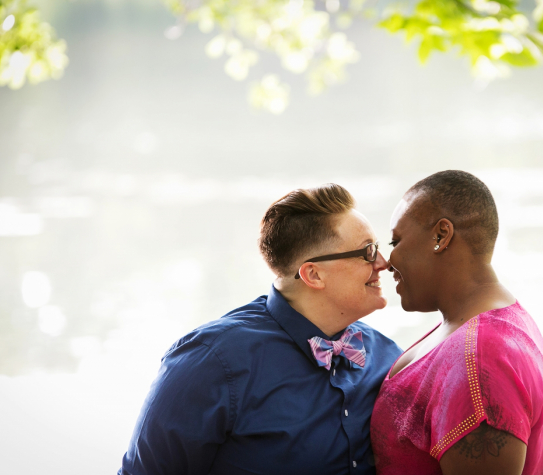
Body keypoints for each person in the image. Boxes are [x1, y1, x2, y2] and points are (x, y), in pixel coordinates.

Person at [119, 183, 402, 475]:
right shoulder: (210, 362)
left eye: (378, 248)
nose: (383, 263)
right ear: (314, 274)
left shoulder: (389, 357)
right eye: (368, 251)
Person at [370, 170, 543, 475]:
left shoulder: (481, 356)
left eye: (396, 241)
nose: (388, 262)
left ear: (441, 236)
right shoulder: (480, 323)